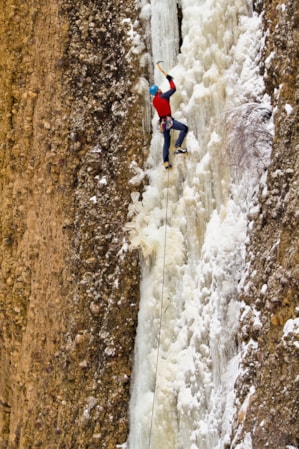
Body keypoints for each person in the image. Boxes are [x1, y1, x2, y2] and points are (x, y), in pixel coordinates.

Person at [149, 74, 188, 169]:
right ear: (157, 90)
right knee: (184, 128)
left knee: (167, 141)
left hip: (162, 122)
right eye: (158, 88)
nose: (160, 89)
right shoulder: (162, 96)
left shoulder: (154, 101)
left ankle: (165, 161)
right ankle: (177, 146)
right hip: (168, 121)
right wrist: (170, 80)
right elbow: (173, 89)